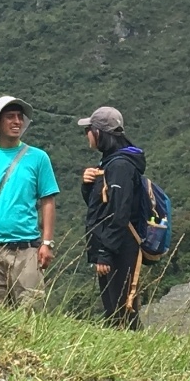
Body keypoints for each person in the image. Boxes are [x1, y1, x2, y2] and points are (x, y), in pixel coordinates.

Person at [0, 97, 59, 309]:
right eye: (10, 117)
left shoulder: (38, 158)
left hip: (27, 249)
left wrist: (47, 243)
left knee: (31, 311)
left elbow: (48, 201)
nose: (17, 122)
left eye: (19, 117)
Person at [80, 104, 146, 327]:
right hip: (116, 243)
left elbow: (119, 212)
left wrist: (105, 252)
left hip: (120, 246)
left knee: (121, 309)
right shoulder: (112, 163)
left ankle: (134, 354)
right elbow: (101, 206)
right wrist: (88, 186)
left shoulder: (119, 166)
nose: (87, 135)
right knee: (115, 309)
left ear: (98, 133)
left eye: (88, 130)